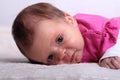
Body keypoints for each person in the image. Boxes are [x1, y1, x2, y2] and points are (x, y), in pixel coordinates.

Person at [12, 2, 120, 69]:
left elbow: (117, 35)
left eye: (59, 39)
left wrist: (111, 54)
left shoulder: (95, 32)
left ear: (70, 20)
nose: (61, 54)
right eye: (50, 57)